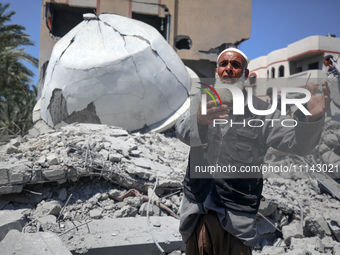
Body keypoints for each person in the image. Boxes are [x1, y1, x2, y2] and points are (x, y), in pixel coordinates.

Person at [175, 48, 330, 255]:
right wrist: (200, 121)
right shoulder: (201, 102)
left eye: (236, 65)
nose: (228, 69)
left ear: (246, 75)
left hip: (236, 222)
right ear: (216, 72)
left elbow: (298, 144)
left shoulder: (263, 112)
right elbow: (181, 131)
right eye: (224, 65)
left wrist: (310, 119)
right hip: (197, 211)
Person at [323, 55, 340, 120]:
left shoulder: (335, 67)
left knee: (336, 102)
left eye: (325, 61)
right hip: (331, 89)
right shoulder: (329, 69)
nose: (324, 63)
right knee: (327, 101)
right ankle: (328, 116)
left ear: (329, 61)